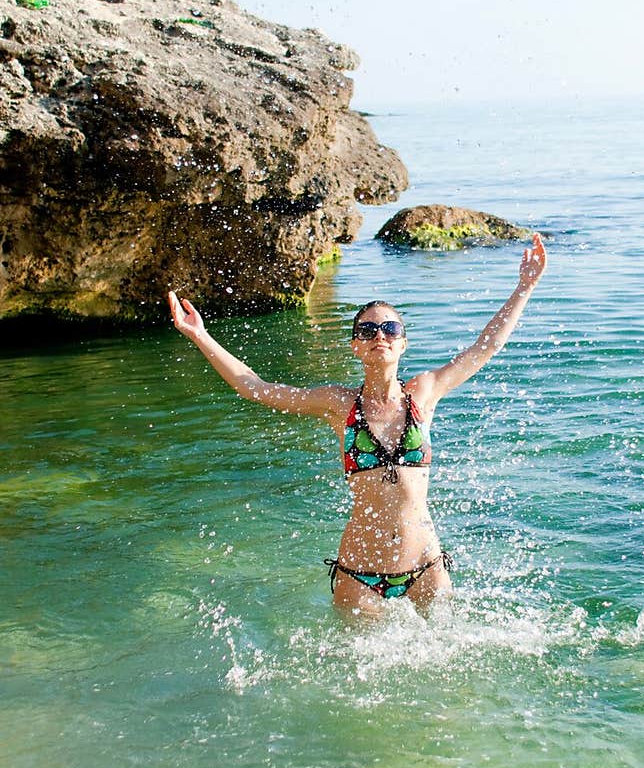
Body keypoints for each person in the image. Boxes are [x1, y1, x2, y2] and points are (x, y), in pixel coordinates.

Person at [168, 232, 547, 618]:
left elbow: (487, 346)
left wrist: (525, 286)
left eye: (390, 330)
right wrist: (201, 336)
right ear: (355, 346)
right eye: (366, 331)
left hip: (426, 567)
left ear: (403, 344)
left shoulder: (424, 393)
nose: (379, 336)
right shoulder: (338, 404)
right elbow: (257, 389)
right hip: (360, 571)